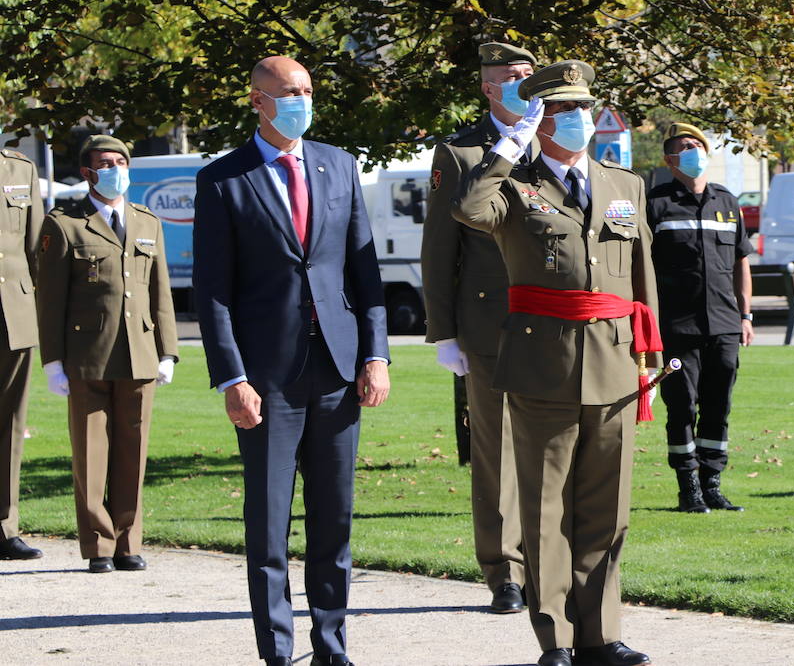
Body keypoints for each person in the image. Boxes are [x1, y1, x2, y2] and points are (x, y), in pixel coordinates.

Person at [456, 59, 658, 666]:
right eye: (562, 110)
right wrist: (505, 148)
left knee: (606, 508)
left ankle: (602, 633)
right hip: (544, 365)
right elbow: (468, 211)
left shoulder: (625, 185)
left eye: (583, 108)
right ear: (539, 118)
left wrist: (649, 357)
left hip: (618, 365)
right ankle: (557, 637)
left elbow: (642, 279)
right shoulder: (514, 186)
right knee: (545, 511)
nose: (578, 119)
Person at [193, 56, 391, 666]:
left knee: (334, 519)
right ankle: (277, 650)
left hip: (336, 368)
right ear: (258, 101)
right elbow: (213, 290)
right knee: (270, 522)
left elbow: (364, 272)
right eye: (288, 92)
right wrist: (232, 377)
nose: (301, 100)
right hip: (267, 378)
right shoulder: (224, 178)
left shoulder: (339, 165)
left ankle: (331, 646)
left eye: (307, 90)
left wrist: (376, 355)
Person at [420, 40, 535, 613]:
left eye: (531, 73)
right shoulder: (461, 153)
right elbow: (440, 251)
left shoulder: (558, 141)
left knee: (557, 447)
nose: (526, 82)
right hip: (490, 324)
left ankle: (551, 563)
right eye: (514, 76)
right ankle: (504, 570)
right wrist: (443, 332)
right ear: (489, 87)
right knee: (497, 452)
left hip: (558, 326)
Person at [37, 135, 178, 573]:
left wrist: (167, 351)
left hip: (138, 351)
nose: (116, 168)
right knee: (92, 452)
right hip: (87, 355)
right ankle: (98, 544)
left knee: (133, 450)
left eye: (121, 161)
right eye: (106, 163)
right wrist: (53, 361)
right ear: (87, 173)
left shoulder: (145, 221)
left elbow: (161, 292)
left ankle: (127, 541)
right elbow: (50, 299)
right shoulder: (64, 224)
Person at [646, 122, 753, 514]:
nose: (692, 152)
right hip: (676, 326)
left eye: (696, 145)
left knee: (718, 404)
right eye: (683, 148)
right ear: (670, 160)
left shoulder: (726, 201)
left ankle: (712, 483)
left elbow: (742, 261)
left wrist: (746, 314)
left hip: (724, 323)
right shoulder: (655, 204)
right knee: (682, 405)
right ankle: (687, 487)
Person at [0, 145, 42, 562]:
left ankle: (5, 527)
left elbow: (36, 249)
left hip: (14, 312)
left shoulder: (20, 167)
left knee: (11, 422)